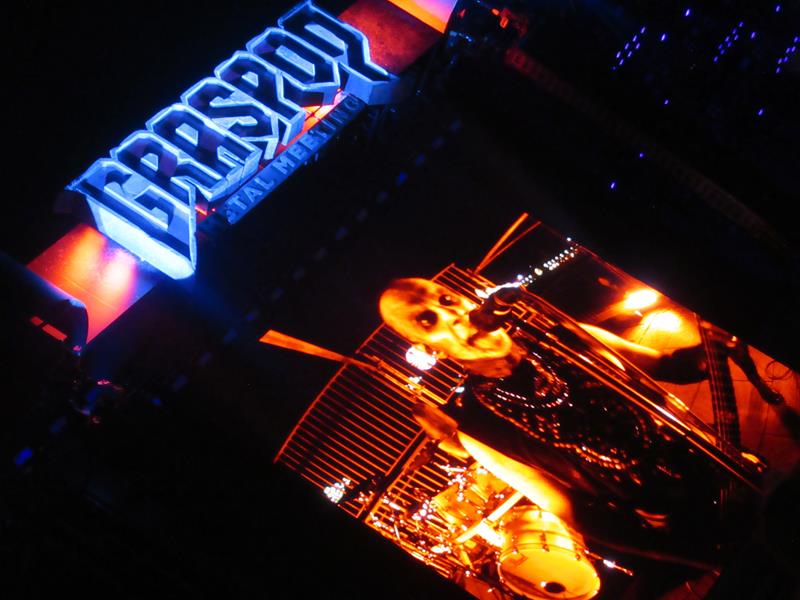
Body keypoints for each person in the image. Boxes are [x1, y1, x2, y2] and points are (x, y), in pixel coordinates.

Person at [378, 277, 760, 562]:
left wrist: (714, 343)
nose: (454, 316)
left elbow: (669, 366)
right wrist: (694, 554)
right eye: (428, 319)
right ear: (429, 349)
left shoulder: (569, 335)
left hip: (728, 463)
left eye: (448, 299)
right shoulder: (479, 428)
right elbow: (570, 510)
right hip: (685, 521)